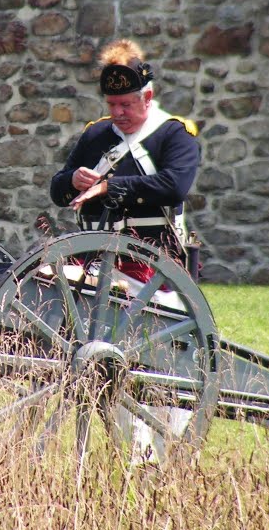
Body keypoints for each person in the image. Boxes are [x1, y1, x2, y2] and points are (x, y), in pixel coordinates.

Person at [50, 38, 201, 464]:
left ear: (147, 97)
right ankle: (132, 451)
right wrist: (74, 181)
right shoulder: (96, 135)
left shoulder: (175, 134)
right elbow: (58, 188)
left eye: (126, 105)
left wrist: (111, 185)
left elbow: (174, 185)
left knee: (166, 363)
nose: (118, 113)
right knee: (108, 356)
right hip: (98, 261)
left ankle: (166, 447)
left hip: (154, 264)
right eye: (112, 104)